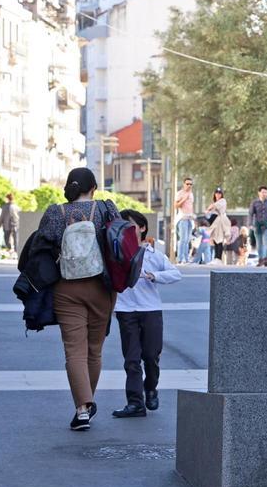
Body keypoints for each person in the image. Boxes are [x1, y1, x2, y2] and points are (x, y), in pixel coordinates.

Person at [35, 168, 121, 431]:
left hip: (66, 288)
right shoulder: (106, 208)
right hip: (101, 288)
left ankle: (82, 409)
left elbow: (41, 244)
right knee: (94, 350)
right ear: (93, 187)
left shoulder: (55, 212)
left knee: (74, 350)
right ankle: (87, 402)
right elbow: (119, 241)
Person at [111, 210, 181, 418]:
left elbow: (176, 274)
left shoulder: (154, 254)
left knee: (151, 356)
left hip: (150, 309)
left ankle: (151, 388)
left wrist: (153, 275)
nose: (127, 230)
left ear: (142, 228)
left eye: (131, 225)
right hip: (125, 311)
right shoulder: (117, 252)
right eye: (122, 226)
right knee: (131, 359)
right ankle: (135, 403)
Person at [249, 186, 267, 267]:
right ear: (259, 193)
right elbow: (251, 214)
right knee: (259, 244)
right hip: (257, 226)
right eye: (263, 192)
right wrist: (250, 224)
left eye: (265, 192)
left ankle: (265, 258)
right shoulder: (254, 203)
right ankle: (261, 258)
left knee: (266, 242)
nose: (264, 194)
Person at [206, 188, 231, 264]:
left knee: (219, 239)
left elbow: (212, 207)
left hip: (220, 221)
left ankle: (218, 258)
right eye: (216, 193)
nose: (218, 194)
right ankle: (216, 257)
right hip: (215, 223)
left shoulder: (222, 201)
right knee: (215, 240)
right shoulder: (216, 202)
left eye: (219, 193)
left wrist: (209, 208)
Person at [173, 178, 194, 264]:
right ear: (183, 184)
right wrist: (184, 199)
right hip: (182, 219)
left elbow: (191, 206)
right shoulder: (180, 193)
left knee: (187, 240)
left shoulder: (191, 194)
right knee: (182, 239)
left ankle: (186, 258)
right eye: (187, 184)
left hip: (189, 219)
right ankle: (180, 259)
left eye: (190, 184)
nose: (189, 186)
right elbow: (176, 205)